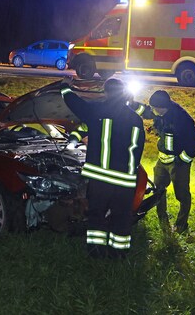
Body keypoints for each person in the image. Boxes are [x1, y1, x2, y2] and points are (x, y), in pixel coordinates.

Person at [60, 77, 145, 259]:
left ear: (106, 93)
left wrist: (65, 88)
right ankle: (119, 254)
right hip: (125, 180)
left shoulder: (97, 111)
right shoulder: (135, 119)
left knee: (97, 215)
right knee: (121, 218)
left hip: (101, 179)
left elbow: (76, 104)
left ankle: (96, 253)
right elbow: (139, 148)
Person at [132, 90, 195, 234]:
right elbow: (145, 111)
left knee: (181, 194)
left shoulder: (181, 119)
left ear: (162, 107)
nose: (153, 111)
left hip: (178, 164)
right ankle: (163, 222)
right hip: (162, 160)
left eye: (155, 108)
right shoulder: (160, 111)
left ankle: (181, 225)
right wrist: (130, 104)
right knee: (159, 191)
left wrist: (181, 160)